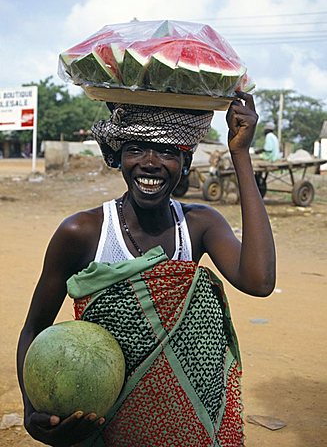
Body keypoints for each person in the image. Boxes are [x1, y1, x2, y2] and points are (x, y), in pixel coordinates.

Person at [17, 92, 276, 447]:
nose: (150, 162)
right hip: (105, 428)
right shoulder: (82, 232)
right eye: (136, 148)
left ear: (185, 162)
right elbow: (34, 329)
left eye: (168, 151)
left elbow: (259, 281)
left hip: (180, 425)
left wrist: (240, 154)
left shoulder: (199, 225)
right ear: (118, 156)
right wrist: (33, 415)